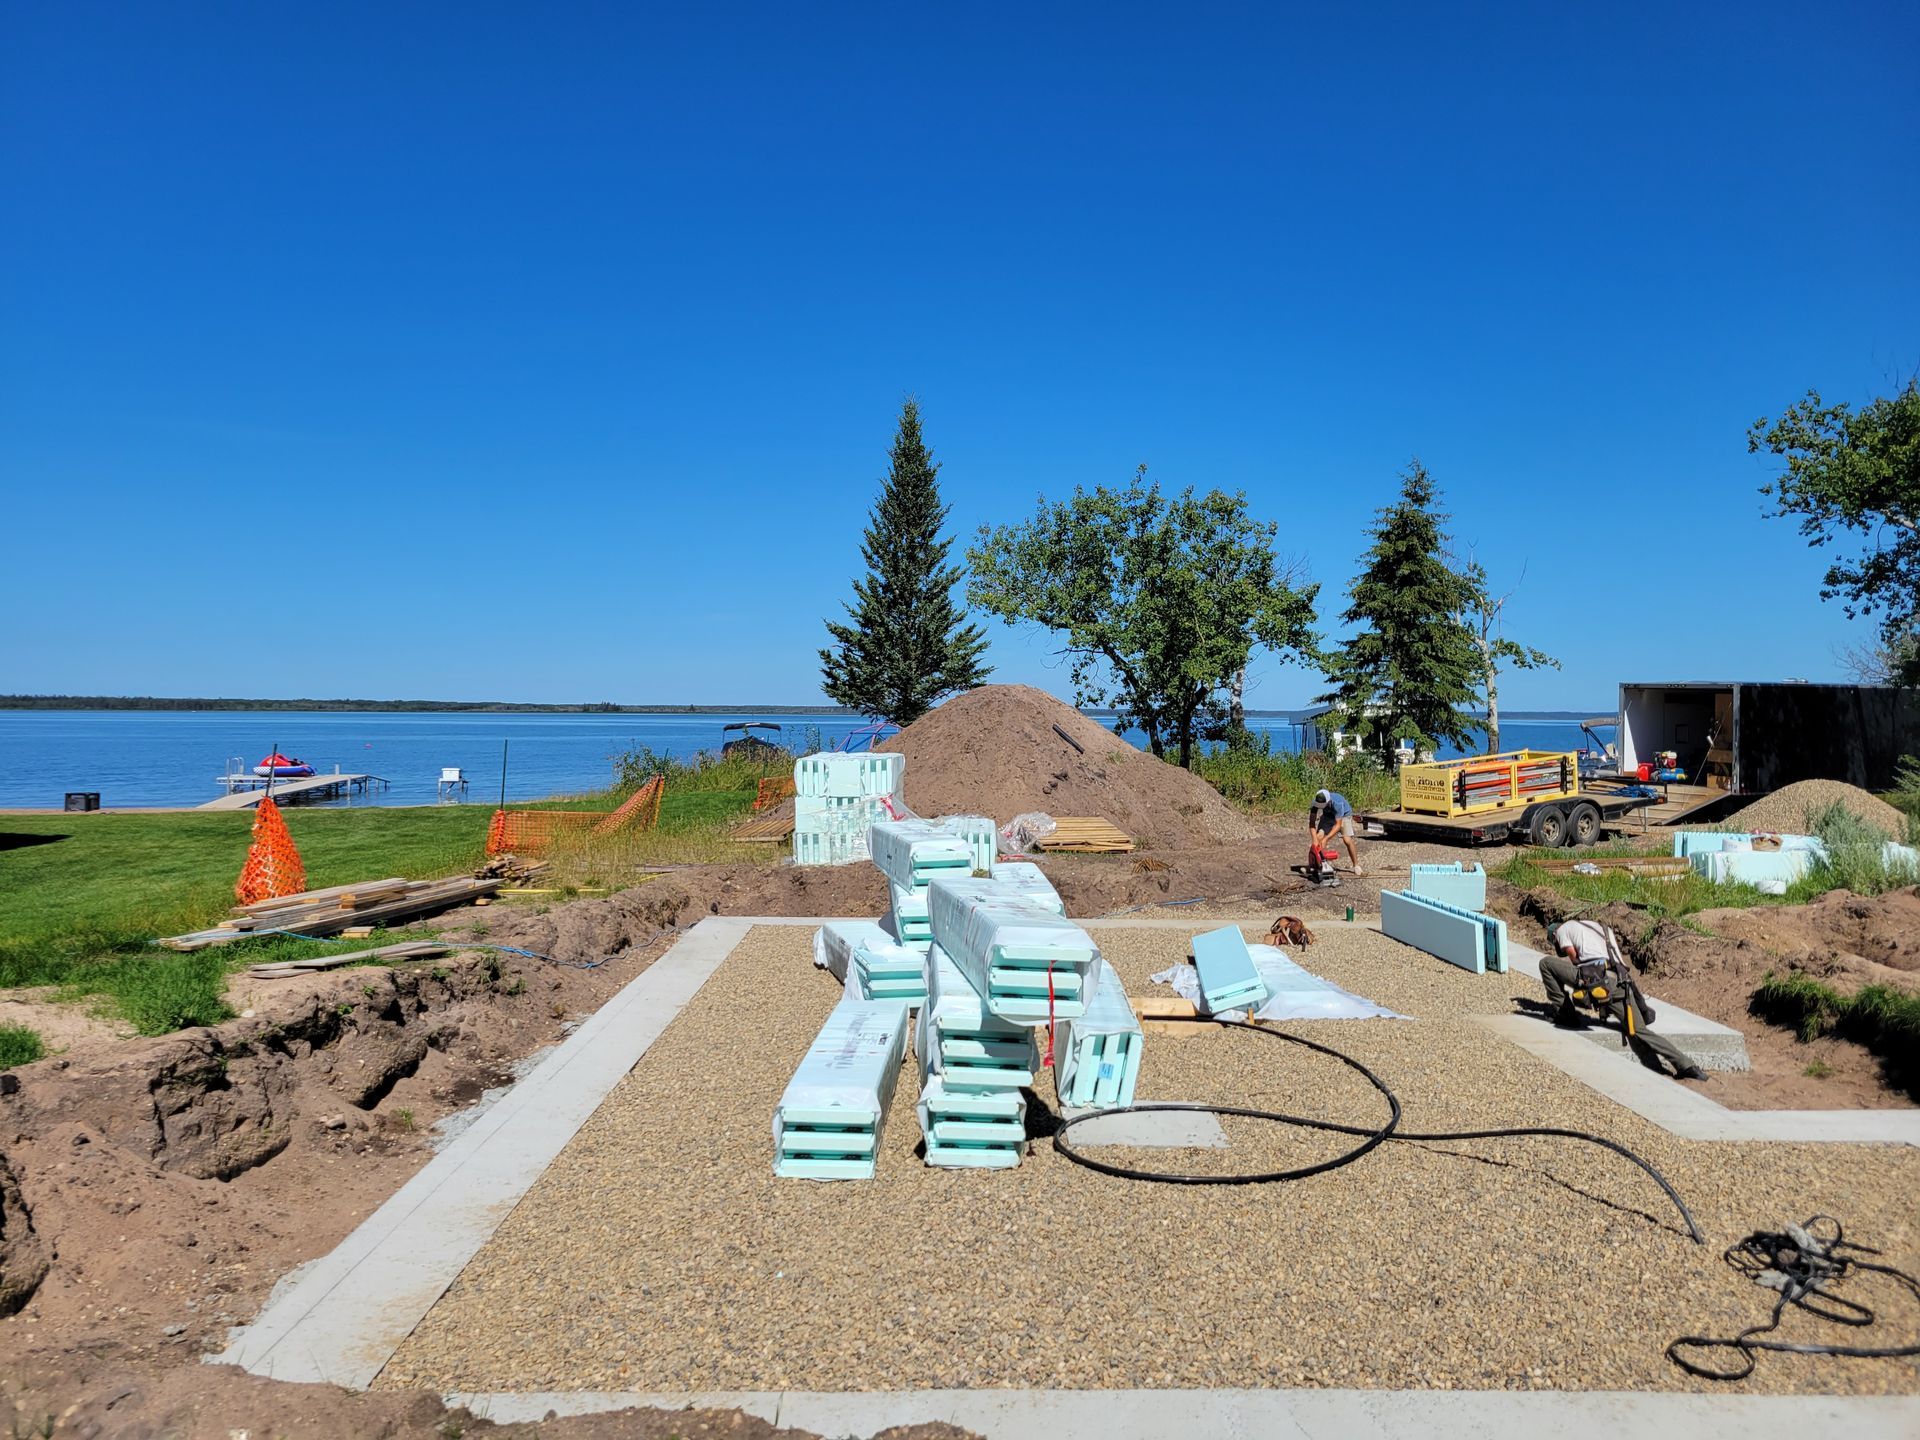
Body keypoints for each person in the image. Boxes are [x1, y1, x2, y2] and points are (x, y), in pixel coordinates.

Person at [1545, 920, 1705, 1080]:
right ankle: (1687, 1066)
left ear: (1554, 935)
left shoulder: (1562, 930)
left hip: (1599, 979)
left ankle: (1565, 1015)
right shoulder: (1596, 927)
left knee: (1545, 964)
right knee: (1640, 1031)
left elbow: (1574, 958)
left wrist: (1579, 986)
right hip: (1621, 982)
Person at [1308, 788, 1363, 876]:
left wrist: (1327, 838)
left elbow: (1338, 825)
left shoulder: (1337, 803)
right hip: (1328, 816)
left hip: (1344, 815)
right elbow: (1311, 824)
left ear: (1328, 801)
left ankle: (1356, 865)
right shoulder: (1315, 803)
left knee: (1347, 840)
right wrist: (1314, 839)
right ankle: (1319, 864)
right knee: (1318, 837)